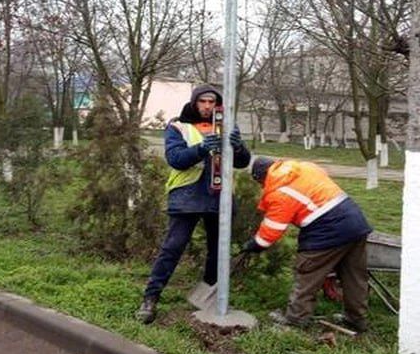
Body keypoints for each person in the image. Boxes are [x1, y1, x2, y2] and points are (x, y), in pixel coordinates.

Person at [136, 85, 251, 323]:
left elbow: (242, 162)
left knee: (217, 252)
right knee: (172, 248)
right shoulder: (179, 126)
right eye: (203, 102)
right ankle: (151, 298)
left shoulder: (227, 126)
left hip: (219, 197)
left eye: (211, 102)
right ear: (194, 103)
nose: (207, 106)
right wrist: (200, 149)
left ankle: (206, 299)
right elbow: (175, 159)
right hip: (187, 196)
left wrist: (238, 147)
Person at [242, 156, 372, 332]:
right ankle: (356, 319)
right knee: (354, 276)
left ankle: (295, 320)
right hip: (355, 222)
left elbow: (272, 230)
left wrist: (256, 244)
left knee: (307, 273)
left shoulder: (280, 192)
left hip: (327, 230)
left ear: (261, 178)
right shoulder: (305, 168)